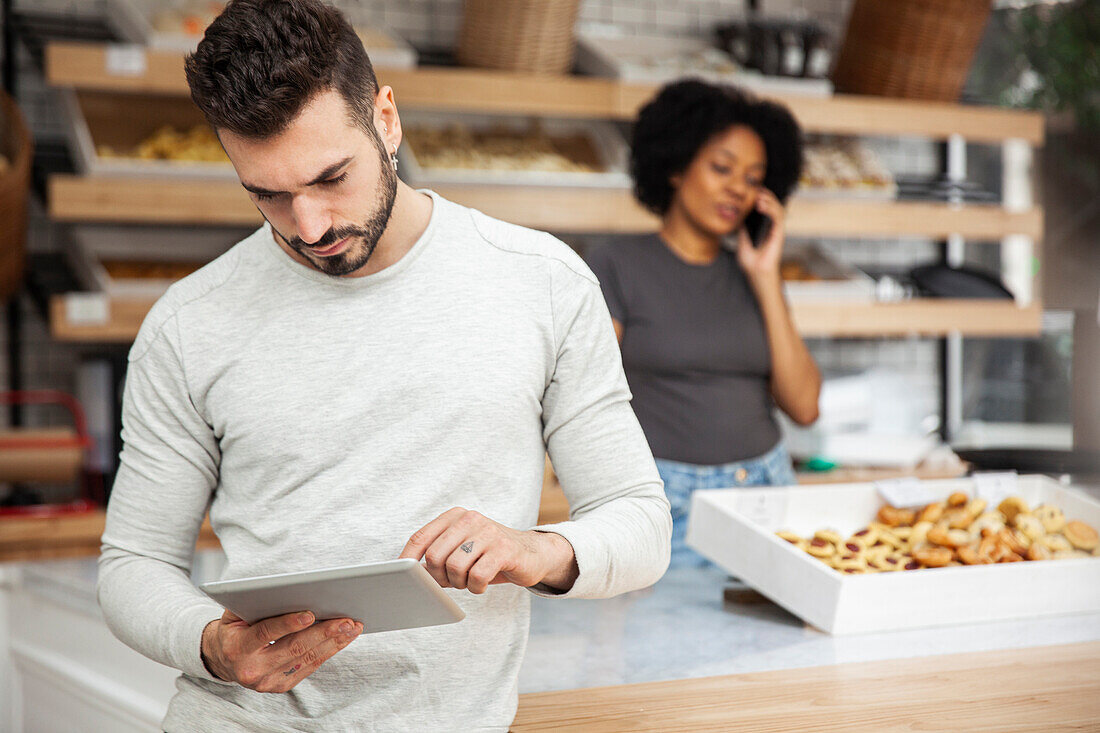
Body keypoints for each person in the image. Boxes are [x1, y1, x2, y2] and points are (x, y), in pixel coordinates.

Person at [96, 1, 671, 730]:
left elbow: (642, 525)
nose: (310, 227)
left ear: (387, 121)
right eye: (267, 194)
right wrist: (215, 644)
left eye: (332, 177)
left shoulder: (544, 283)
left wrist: (536, 551)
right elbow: (131, 565)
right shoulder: (187, 325)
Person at [586, 79, 821, 568]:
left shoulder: (754, 274)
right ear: (675, 165)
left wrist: (765, 276)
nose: (738, 187)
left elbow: (804, 406)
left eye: (754, 178)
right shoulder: (616, 263)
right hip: (669, 502)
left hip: (768, 491)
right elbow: (589, 401)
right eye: (722, 168)